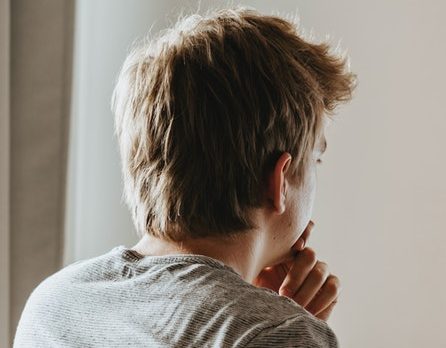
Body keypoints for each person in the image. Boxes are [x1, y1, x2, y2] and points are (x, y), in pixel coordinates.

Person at [14, 7, 355, 347]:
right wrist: (282, 325)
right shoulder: (274, 333)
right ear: (279, 181)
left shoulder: (52, 304)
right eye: (316, 160)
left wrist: (257, 301)